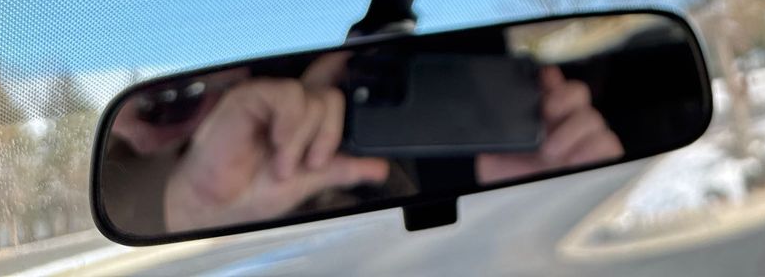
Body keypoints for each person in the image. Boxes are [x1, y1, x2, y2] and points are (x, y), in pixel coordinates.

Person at [105, 53, 622, 235]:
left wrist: (578, 190)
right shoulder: (199, 208)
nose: (143, 140)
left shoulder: (423, 176)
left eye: (167, 101)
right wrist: (196, 212)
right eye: (126, 148)